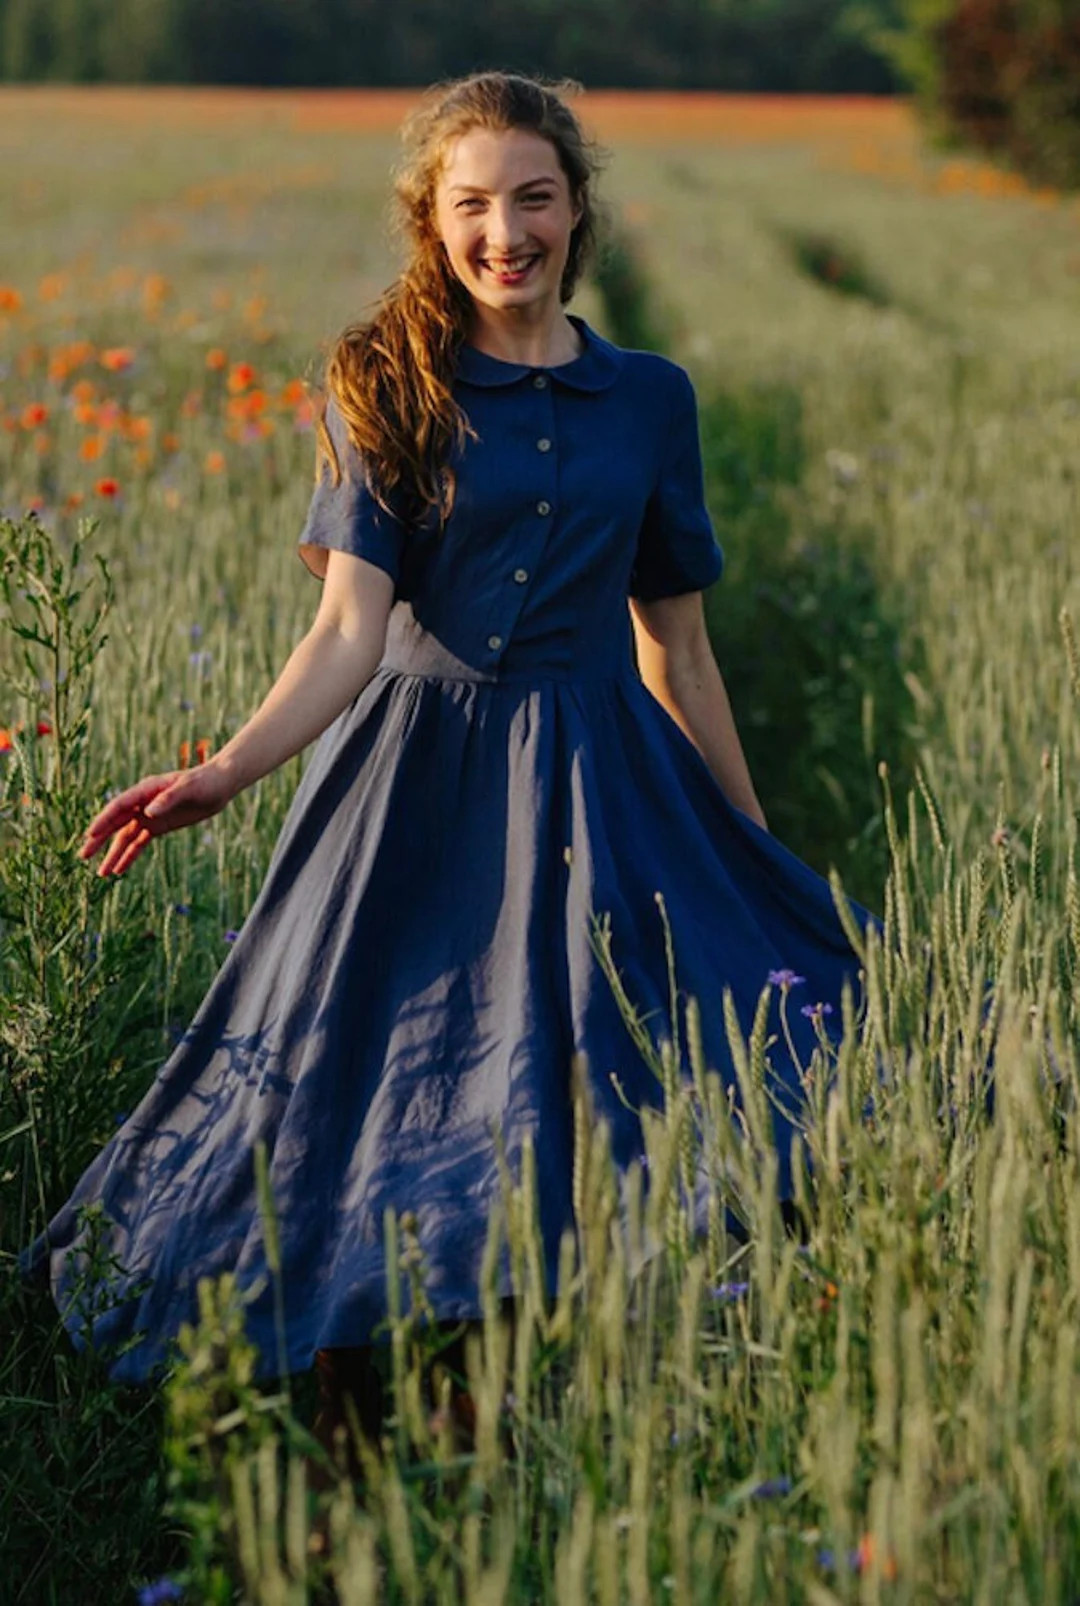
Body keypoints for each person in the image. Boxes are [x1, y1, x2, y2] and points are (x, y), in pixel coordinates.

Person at [21, 71, 876, 1462]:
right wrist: (222, 772)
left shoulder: (648, 398)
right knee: (385, 1072)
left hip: (602, 778)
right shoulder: (381, 375)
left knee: (582, 1075)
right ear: (433, 218)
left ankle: (525, 1381)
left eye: (534, 196)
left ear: (579, 209)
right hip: (410, 789)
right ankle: (356, 1388)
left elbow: (682, 651)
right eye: (473, 203)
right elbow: (349, 632)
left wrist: (748, 847)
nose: (507, 231)